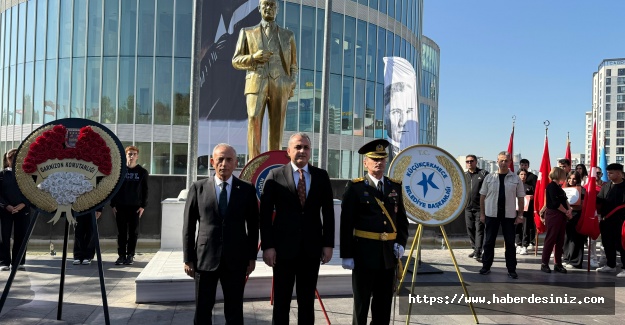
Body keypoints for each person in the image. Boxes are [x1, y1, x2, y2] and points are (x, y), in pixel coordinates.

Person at [259, 132, 334, 324]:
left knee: (307, 301)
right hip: (283, 250)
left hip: (311, 249)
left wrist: (328, 244)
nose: (302, 151)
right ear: (288, 151)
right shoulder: (275, 175)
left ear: (310, 151)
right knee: (282, 301)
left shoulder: (321, 176)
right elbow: (265, 215)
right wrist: (268, 246)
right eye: (298, 147)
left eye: (306, 147)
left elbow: (328, 213)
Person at [183, 143, 259, 324]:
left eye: (229, 159)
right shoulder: (198, 188)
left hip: (236, 260)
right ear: (212, 161)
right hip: (204, 259)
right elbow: (188, 226)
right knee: (202, 310)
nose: (224, 163)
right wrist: (188, 258)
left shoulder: (247, 189)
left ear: (236, 163)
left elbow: (253, 226)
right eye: (220, 159)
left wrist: (251, 257)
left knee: (234, 310)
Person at [340, 139, 409, 325]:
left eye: (382, 159)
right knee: (361, 305)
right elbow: (346, 224)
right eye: (374, 159)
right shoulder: (355, 188)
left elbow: (401, 221)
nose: (378, 163)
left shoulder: (395, 186)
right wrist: (346, 254)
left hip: (387, 256)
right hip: (363, 254)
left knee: (383, 305)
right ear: (366, 162)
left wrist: (401, 244)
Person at [232, 0, 298, 159]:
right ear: (259, 8)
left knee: (277, 125)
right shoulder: (248, 32)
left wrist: (291, 82)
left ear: (278, 9)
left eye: (272, 5)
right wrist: (253, 58)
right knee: (253, 119)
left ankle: (274, 163)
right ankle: (254, 163)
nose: (269, 8)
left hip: (280, 83)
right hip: (256, 82)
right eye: (266, 5)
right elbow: (235, 60)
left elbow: (293, 65)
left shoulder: (287, 35)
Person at [479, 151, 525, 279]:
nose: (504, 163)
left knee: (510, 243)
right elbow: (482, 197)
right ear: (497, 161)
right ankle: (486, 266)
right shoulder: (489, 177)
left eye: (506, 160)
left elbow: (521, 198)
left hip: (509, 215)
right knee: (488, 242)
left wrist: (520, 215)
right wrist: (482, 214)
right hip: (491, 214)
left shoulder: (516, 179)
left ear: (510, 162)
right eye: (501, 160)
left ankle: (511, 269)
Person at [110, 146, 149, 266]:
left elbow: (145, 190)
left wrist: (143, 205)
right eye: (129, 154)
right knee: (121, 232)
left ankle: (130, 255)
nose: (131, 156)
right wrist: (113, 204)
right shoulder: (120, 171)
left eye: (134, 154)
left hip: (135, 207)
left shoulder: (142, 172)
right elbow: (113, 188)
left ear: (137, 156)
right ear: (126, 155)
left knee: (133, 233)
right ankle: (121, 255)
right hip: (120, 206)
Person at [0, 149, 30, 271]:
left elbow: (31, 192)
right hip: (4, 210)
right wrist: (6, 205)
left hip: (23, 209)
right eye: (10, 157)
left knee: (21, 235)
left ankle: (19, 261)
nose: (13, 160)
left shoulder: (26, 175)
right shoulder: (1, 175)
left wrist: (23, 204)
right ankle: (4, 261)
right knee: (4, 236)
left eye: (16, 157)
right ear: (6, 159)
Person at [540, 167, 571, 274]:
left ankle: (558, 263)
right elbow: (555, 203)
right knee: (550, 239)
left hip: (561, 215)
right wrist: (566, 211)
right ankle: (544, 263)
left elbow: (564, 199)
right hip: (553, 214)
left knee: (560, 240)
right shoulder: (551, 187)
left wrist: (569, 209)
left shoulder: (559, 188)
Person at [595, 163, 625, 277]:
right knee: (607, 243)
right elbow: (600, 200)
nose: (608, 175)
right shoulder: (606, 186)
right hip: (606, 220)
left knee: (622, 245)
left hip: (621, 222)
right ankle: (610, 265)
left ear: (619, 173)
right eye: (608, 173)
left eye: (611, 173)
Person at [464, 154, 489, 261]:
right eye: (467, 161)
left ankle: (478, 251)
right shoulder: (463, 175)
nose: (469, 163)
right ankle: (475, 248)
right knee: (470, 229)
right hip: (468, 207)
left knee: (479, 230)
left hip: (480, 208)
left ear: (476, 162)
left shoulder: (483, 174)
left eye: (471, 161)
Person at [384, 82, 416, 159]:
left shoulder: (418, 154)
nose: (402, 122)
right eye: (396, 112)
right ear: (385, 114)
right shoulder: (383, 150)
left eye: (409, 112)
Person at [562, 171, 587, 269]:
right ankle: (567, 258)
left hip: (577, 216)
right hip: (566, 216)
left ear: (578, 180)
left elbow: (583, 205)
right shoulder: (564, 190)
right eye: (570, 178)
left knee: (576, 239)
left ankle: (575, 261)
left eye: (574, 178)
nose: (571, 180)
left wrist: (572, 209)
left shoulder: (582, 190)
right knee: (567, 238)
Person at [516, 169, 535, 255]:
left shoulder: (530, 187)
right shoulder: (514, 186)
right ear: (518, 175)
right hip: (516, 210)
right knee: (517, 227)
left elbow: (535, 197)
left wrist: (532, 197)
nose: (523, 176)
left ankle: (525, 245)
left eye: (524, 174)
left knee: (526, 228)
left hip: (526, 211)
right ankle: (518, 244)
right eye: (521, 174)